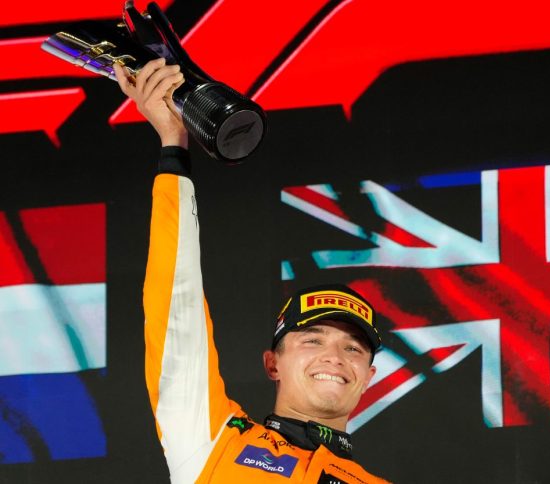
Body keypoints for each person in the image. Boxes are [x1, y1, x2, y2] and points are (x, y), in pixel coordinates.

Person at [116, 58, 388, 483]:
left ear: (369, 377)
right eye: (312, 339)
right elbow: (176, 308)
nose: (334, 356)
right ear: (272, 364)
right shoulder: (215, 440)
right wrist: (174, 145)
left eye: (354, 348)